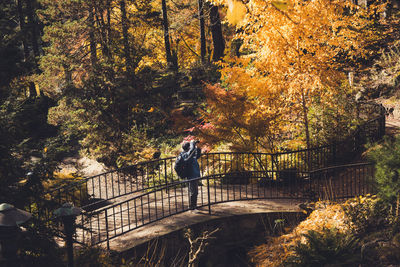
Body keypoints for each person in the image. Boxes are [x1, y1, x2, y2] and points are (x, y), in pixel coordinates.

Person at [179, 140, 202, 210]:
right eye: (190, 146)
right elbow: (191, 152)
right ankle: (192, 206)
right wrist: (192, 144)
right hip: (191, 176)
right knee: (193, 192)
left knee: (195, 192)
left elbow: (197, 155)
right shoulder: (185, 155)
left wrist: (197, 147)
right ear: (188, 148)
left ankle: (193, 205)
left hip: (195, 175)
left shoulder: (191, 155)